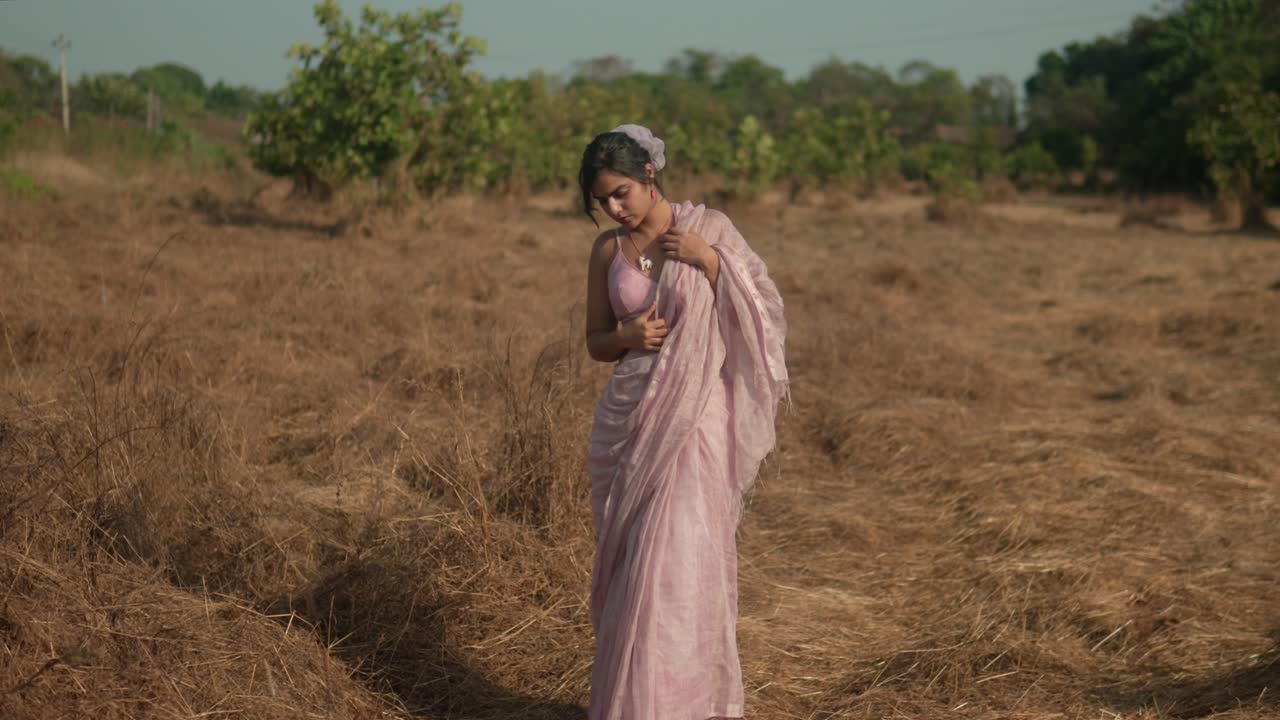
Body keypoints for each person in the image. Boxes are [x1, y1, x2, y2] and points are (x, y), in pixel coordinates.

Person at [579, 124, 789, 720]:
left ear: (650, 173)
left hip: (695, 419)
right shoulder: (606, 251)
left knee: (675, 565)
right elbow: (595, 341)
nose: (614, 209)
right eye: (603, 201)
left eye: (620, 192)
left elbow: (765, 308)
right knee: (634, 566)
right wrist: (623, 335)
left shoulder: (710, 229)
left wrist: (710, 262)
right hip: (632, 420)